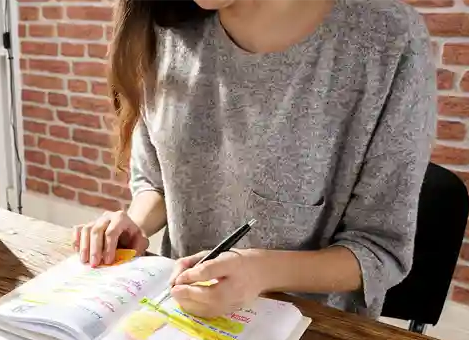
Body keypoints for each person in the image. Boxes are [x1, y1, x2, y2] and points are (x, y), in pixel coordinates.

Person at [73, 0, 436, 319]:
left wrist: (260, 272)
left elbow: (379, 250)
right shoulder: (167, 29)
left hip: (308, 337)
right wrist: (134, 225)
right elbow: (157, 181)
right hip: (180, 317)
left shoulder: (387, 40)